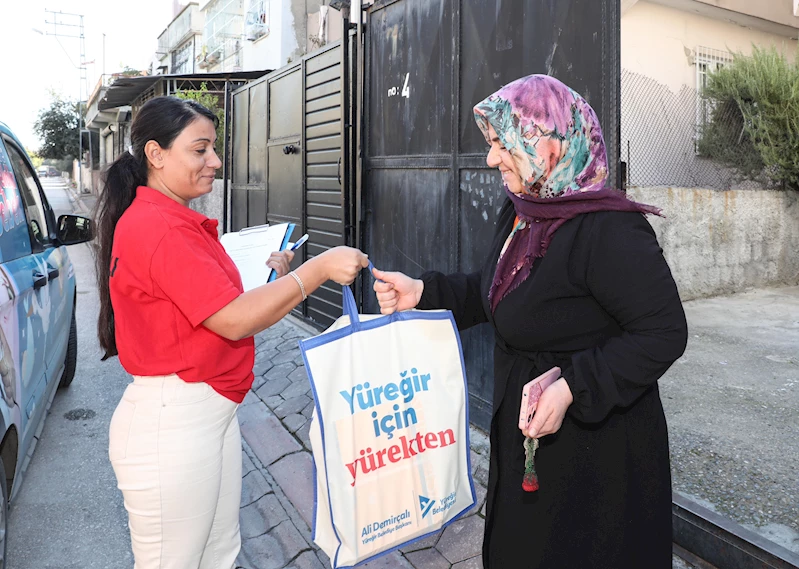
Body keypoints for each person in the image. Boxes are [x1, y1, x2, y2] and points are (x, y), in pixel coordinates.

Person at [372, 75, 688, 569]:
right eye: (491, 144)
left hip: (593, 460)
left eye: (502, 144)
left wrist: (573, 387)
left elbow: (664, 332)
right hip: (530, 446)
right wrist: (424, 292)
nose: (491, 158)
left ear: (552, 146)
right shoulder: (524, 212)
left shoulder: (608, 228)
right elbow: (498, 291)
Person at [94, 96, 368, 569]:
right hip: (173, 425)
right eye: (200, 150)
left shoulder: (171, 218)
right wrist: (316, 270)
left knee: (218, 556)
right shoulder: (159, 226)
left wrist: (277, 279)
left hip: (203, 419)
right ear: (156, 154)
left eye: (213, 148)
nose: (215, 161)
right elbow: (233, 318)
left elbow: (204, 302)